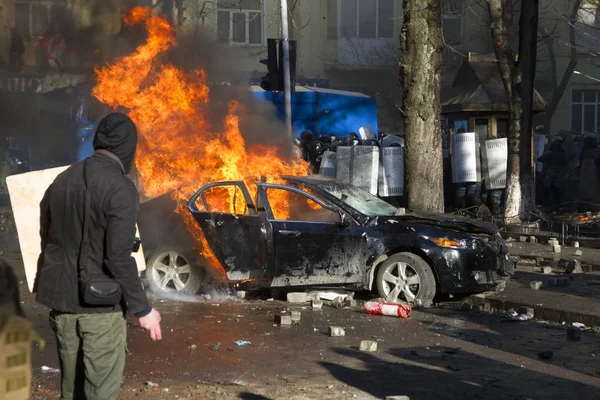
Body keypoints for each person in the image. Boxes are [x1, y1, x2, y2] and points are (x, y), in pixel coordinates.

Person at [35, 113, 162, 400]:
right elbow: (117, 257)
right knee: (100, 392)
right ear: (128, 148)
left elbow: (47, 238)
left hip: (63, 307)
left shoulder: (62, 180)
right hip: (100, 312)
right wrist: (143, 310)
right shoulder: (121, 188)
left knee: (72, 391)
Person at [538, 136, 567, 208]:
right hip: (558, 171)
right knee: (554, 188)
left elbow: (540, 159)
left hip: (552, 170)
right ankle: (554, 204)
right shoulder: (562, 152)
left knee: (547, 186)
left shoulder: (551, 152)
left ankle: (548, 203)